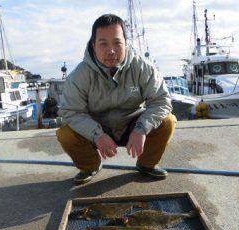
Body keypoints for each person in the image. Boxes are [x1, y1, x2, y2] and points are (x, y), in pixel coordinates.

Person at [57, 14, 176, 184]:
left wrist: (142, 128)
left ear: (126, 44)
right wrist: (96, 135)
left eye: (117, 43)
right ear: (93, 45)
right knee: (65, 133)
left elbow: (161, 101)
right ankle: (90, 166)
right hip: (98, 126)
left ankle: (147, 164)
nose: (111, 50)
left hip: (132, 124)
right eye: (103, 43)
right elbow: (71, 112)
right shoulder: (78, 76)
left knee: (168, 121)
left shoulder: (143, 67)